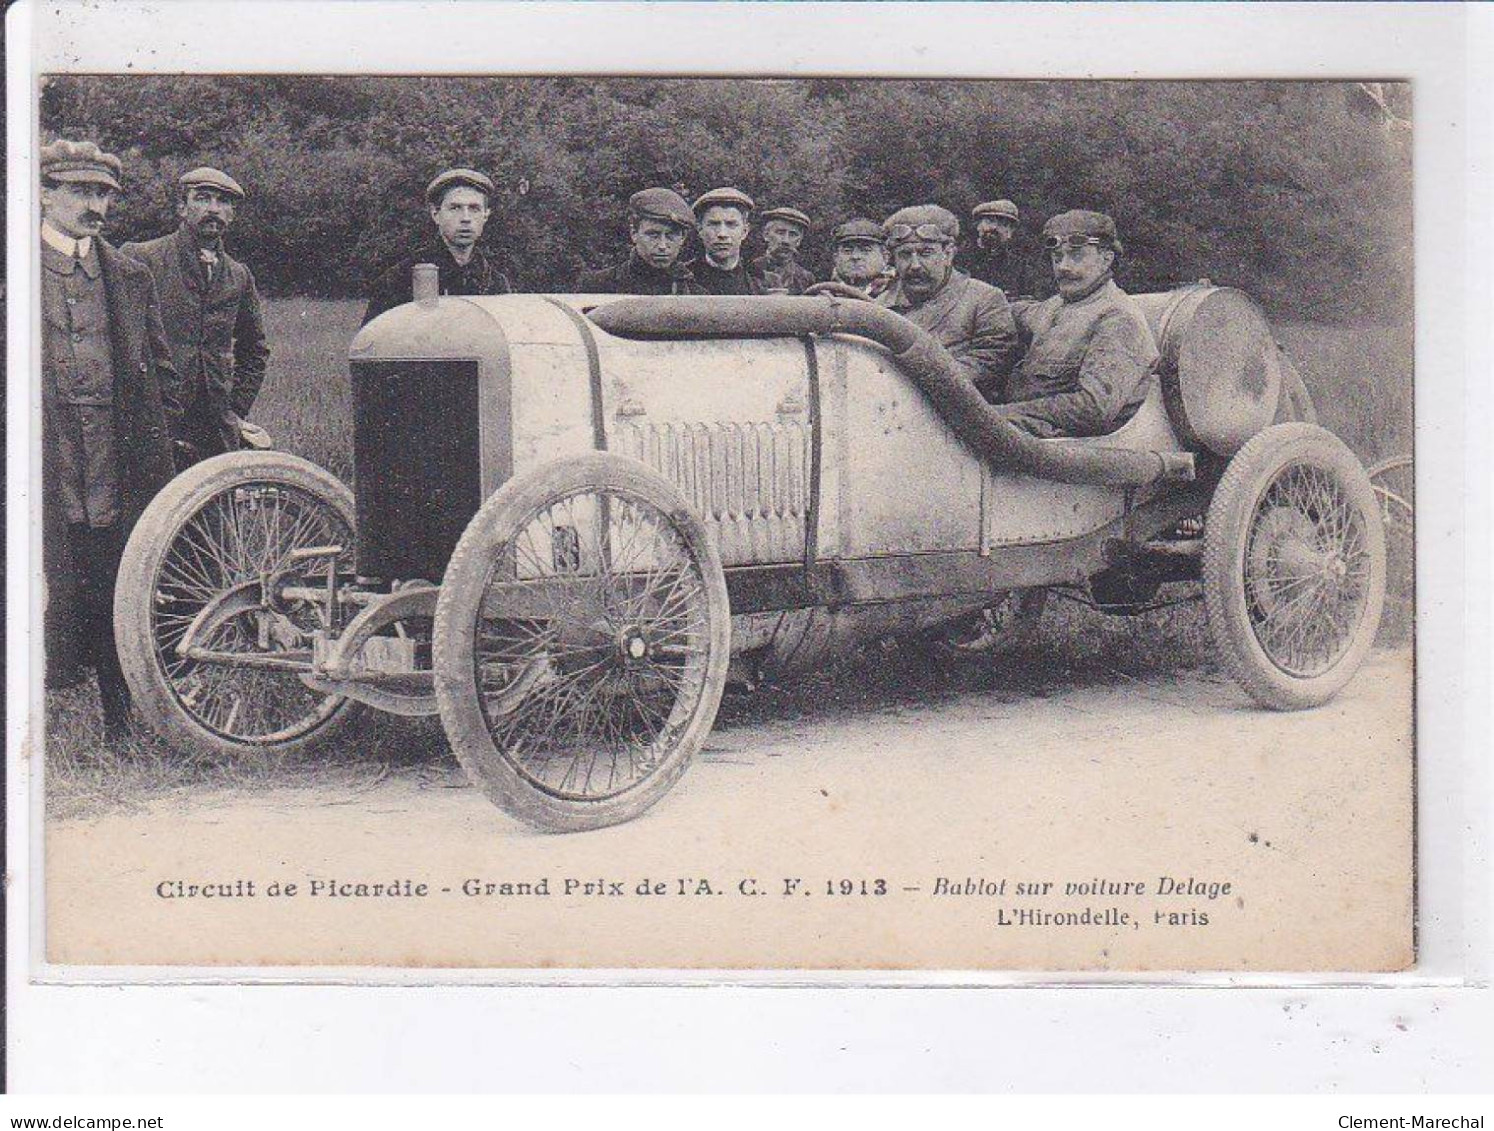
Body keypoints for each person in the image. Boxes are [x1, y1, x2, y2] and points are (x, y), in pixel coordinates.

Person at [39, 139, 181, 738]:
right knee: (44, 575)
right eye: (80, 191)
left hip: (115, 457)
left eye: (103, 194)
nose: (95, 205)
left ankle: (121, 722)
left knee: (116, 578)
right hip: (45, 454)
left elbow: (161, 367)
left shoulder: (128, 274)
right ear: (44, 193)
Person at [121, 167, 270, 466]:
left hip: (213, 425)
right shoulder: (141, 258)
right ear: (182, 207)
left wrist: (234, 409)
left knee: (213, 505)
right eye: (203, 198)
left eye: (223, 202)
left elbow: (255, 350)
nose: (213, 209)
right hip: (154, 419)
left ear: (232, 214)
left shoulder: (238, 275)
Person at [993, 209, 1157, 438]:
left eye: (1076, 256)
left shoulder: (1117, 318)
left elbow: (1092, 408)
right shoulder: (1058, 305)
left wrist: (994, 415)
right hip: (1025, 435)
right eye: (1057, 257)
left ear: (1106, 259)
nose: (1063, 267)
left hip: (1075, 452)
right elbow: (1016, 312)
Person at [876, 204, 1019, 395]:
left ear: (948, 253)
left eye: (926, 253)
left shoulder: (984, 299)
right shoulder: (880, 307)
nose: (915, 265)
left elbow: (991, 361)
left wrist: (921, 381)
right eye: (905, 255)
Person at [362, 167, 512, 325]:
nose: (466, 218)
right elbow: (371, 340)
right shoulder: (402, 278)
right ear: (436, 214)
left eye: (474, 209)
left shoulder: (495, 283)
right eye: (455, 208)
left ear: (485, 215)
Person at [573, 187, 702, 294]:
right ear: (634, 233)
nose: (662, 246)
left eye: (670, 236)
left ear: (682, 238)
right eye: (653, 235)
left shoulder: (695, 294)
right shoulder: (597, 286)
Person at [690, 187, 760, 296]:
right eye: (714, 224)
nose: (722, 234)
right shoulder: (684, 280)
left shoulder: (759, 283)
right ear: (700, 229)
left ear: (745, 231)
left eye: (731, 224)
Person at [968, 198, 1043, 299]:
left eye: (1003, 224)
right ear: (978, 226)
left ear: (1010, 232)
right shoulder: (963, 260)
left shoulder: (1020, 265)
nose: (995, 227)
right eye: (990, 221)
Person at [750, 206, 816, 295]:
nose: (786, 241)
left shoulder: (805, 278)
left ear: (799, 241)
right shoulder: (750, 272)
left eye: (793, 234)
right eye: (780, 232)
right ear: (766, 235)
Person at [828, 218, 893, 298]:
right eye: (847, 251)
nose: (855, 256)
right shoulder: (823, 297)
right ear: (835, 258)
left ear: (885, 257)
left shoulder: (898, 295)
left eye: (866, 250)